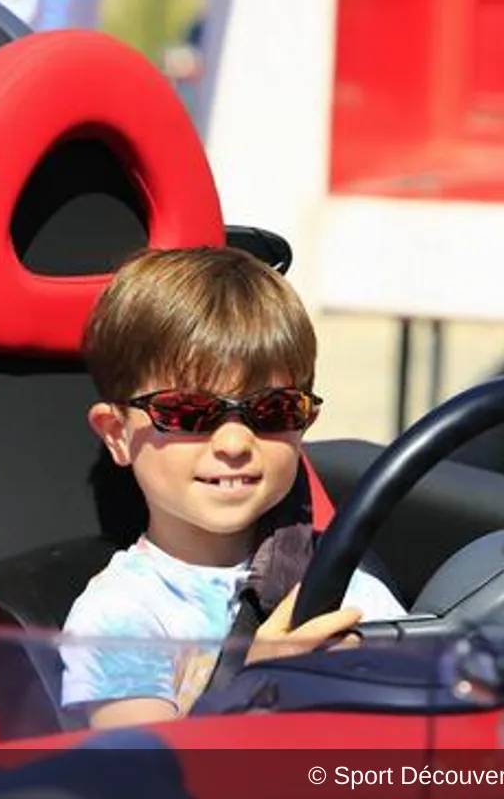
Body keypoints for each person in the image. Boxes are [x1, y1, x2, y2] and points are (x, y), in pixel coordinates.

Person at [60, 247, 406, 730]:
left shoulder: (347, 586)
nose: (235, 442)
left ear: (304, 423)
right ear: (117, 434)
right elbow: (148, 766)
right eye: (188, 413)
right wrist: (254, 691)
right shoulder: (120, 617)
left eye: (273, 410)